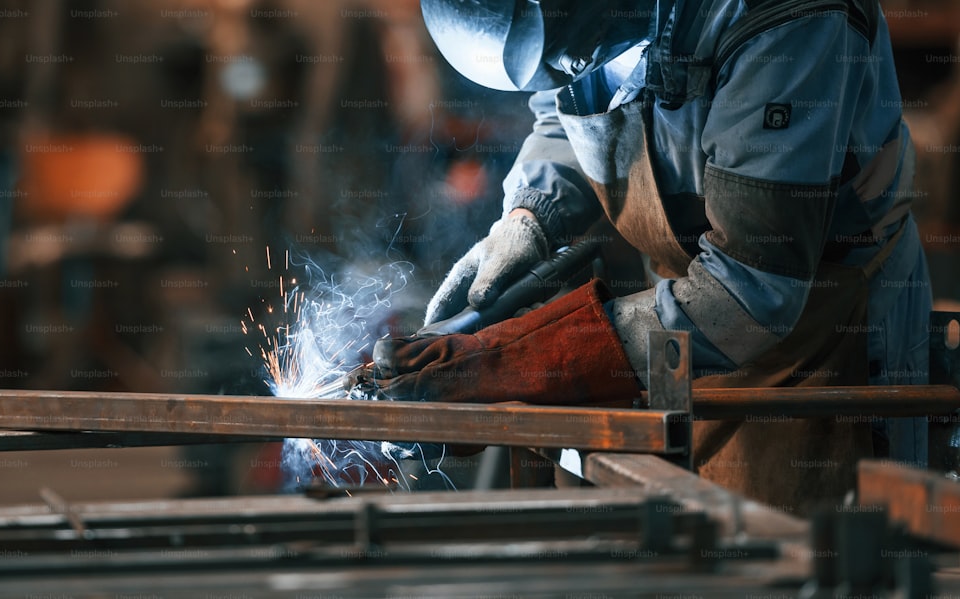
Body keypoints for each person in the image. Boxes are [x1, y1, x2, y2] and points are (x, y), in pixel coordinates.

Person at [352, 0, 932, 511]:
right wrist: (531, 217)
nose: (569, 66)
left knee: (803, 557)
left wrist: (519, 358)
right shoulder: (592, 24)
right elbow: (566, 102)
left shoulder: (785, 16)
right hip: (683, 316)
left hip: (821, 327)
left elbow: (752, 292)